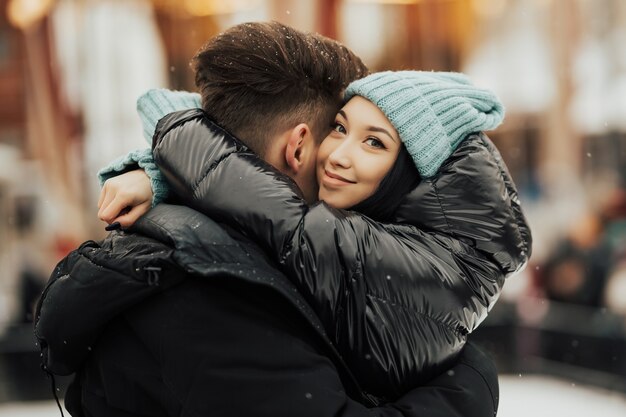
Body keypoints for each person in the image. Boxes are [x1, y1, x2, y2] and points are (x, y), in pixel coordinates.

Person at [34, 22, 503, 417]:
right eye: (337, 132)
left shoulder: (212, 250)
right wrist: (468, 377)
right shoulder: (218, 292)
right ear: (298, 147)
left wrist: (160, 168)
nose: (344, 158)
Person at [99, 70, 530, 400]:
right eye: (340, 128)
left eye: (374, 143)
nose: (337, 156)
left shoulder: (439, 268)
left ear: (413, 170)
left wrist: (170, 136)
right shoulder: (391, 225)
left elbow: (284, 220)